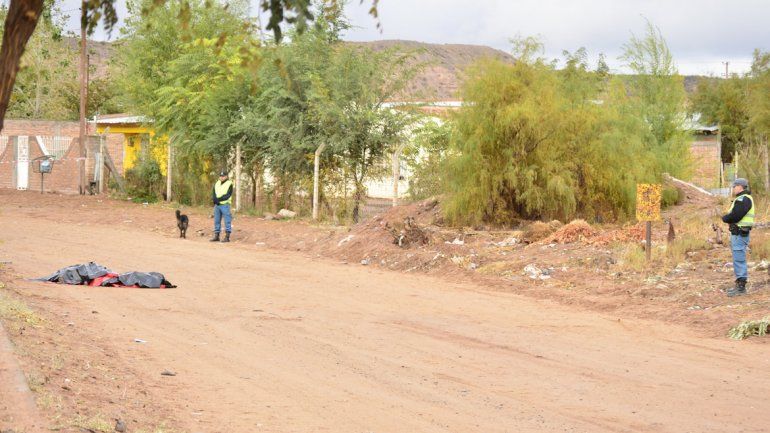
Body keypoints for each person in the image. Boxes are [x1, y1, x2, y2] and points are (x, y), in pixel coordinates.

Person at [722, 178, 754, 297]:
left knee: (739, 258)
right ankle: (739, 284)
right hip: (738, 233)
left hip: (740, 233)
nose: (733, 188)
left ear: (740, 186)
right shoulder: (742, 198)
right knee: (738, 257)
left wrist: (725, 218)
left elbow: (736, 215)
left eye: (734, 186)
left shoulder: (743, 199)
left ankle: (741, 287)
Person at [210, 170, 234, 243]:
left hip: (225, 205)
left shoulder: (229, 183)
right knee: (216, 220)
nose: (222, 177)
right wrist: (214, 200)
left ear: (226, 176)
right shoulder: (217, 183)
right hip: (217, 205)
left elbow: (228, 195)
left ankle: (227, 237)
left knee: (227, 220)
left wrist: (218, 199)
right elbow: (214, 193)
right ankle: (216, 236)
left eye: (223, 176)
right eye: (220, 176)